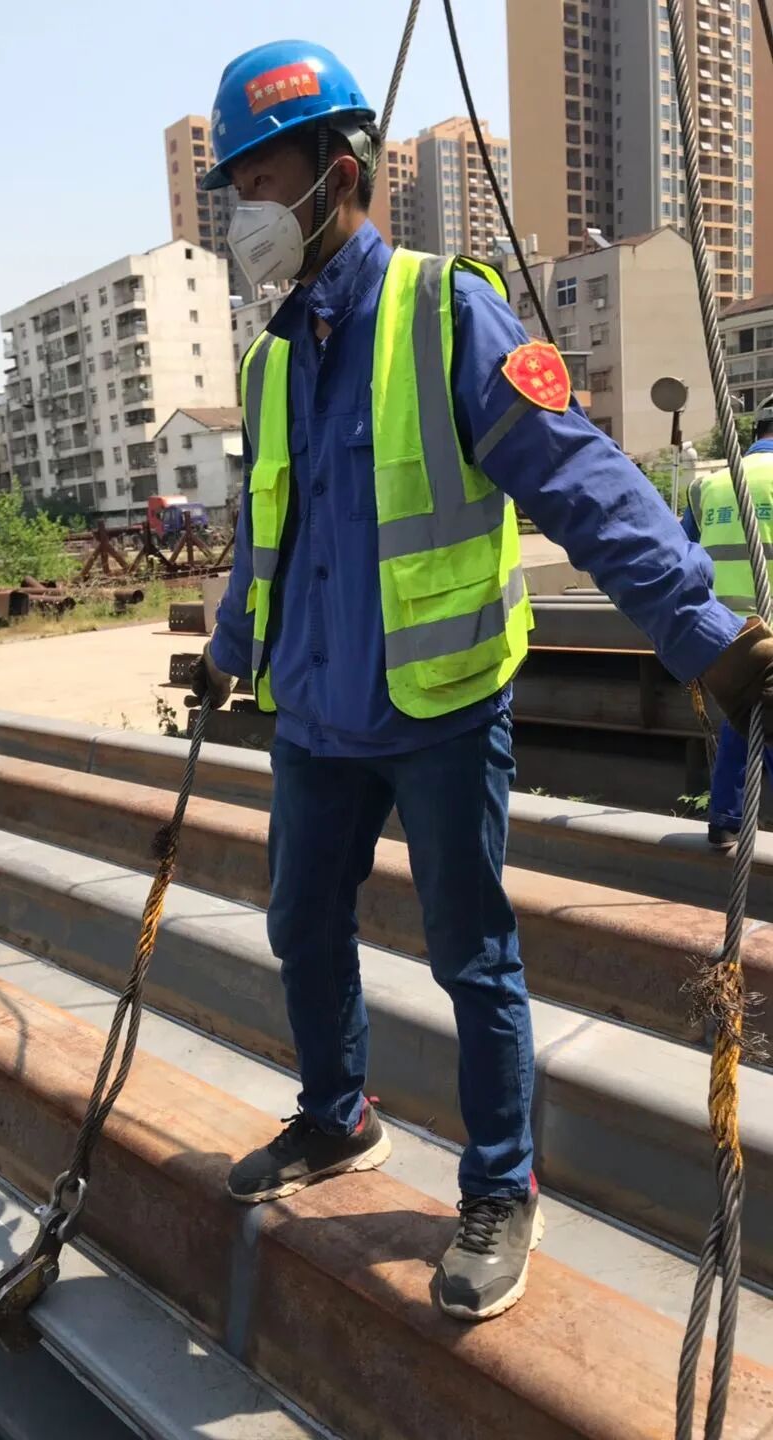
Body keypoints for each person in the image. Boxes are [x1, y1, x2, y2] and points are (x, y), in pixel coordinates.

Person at [191, 38, 773, 1323]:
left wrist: (707, 637)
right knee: (301, 925)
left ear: (337, 174)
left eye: (259, 182)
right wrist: (228, 653)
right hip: (317, 714)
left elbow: (581, 482)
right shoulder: (273, 360)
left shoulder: (445, 311)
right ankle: (337, 1117)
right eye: (232, 188)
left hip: (443, 706)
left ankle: (503, 1185)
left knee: (472, 954)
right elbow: (266, 533)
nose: (242, 215)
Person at [683, 398, 773, 847]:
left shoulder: (708, 485)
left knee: (745, 715)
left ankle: (725, 818)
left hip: (719, 631)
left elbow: (681, 553)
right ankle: (726, 816)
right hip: (768, 629)